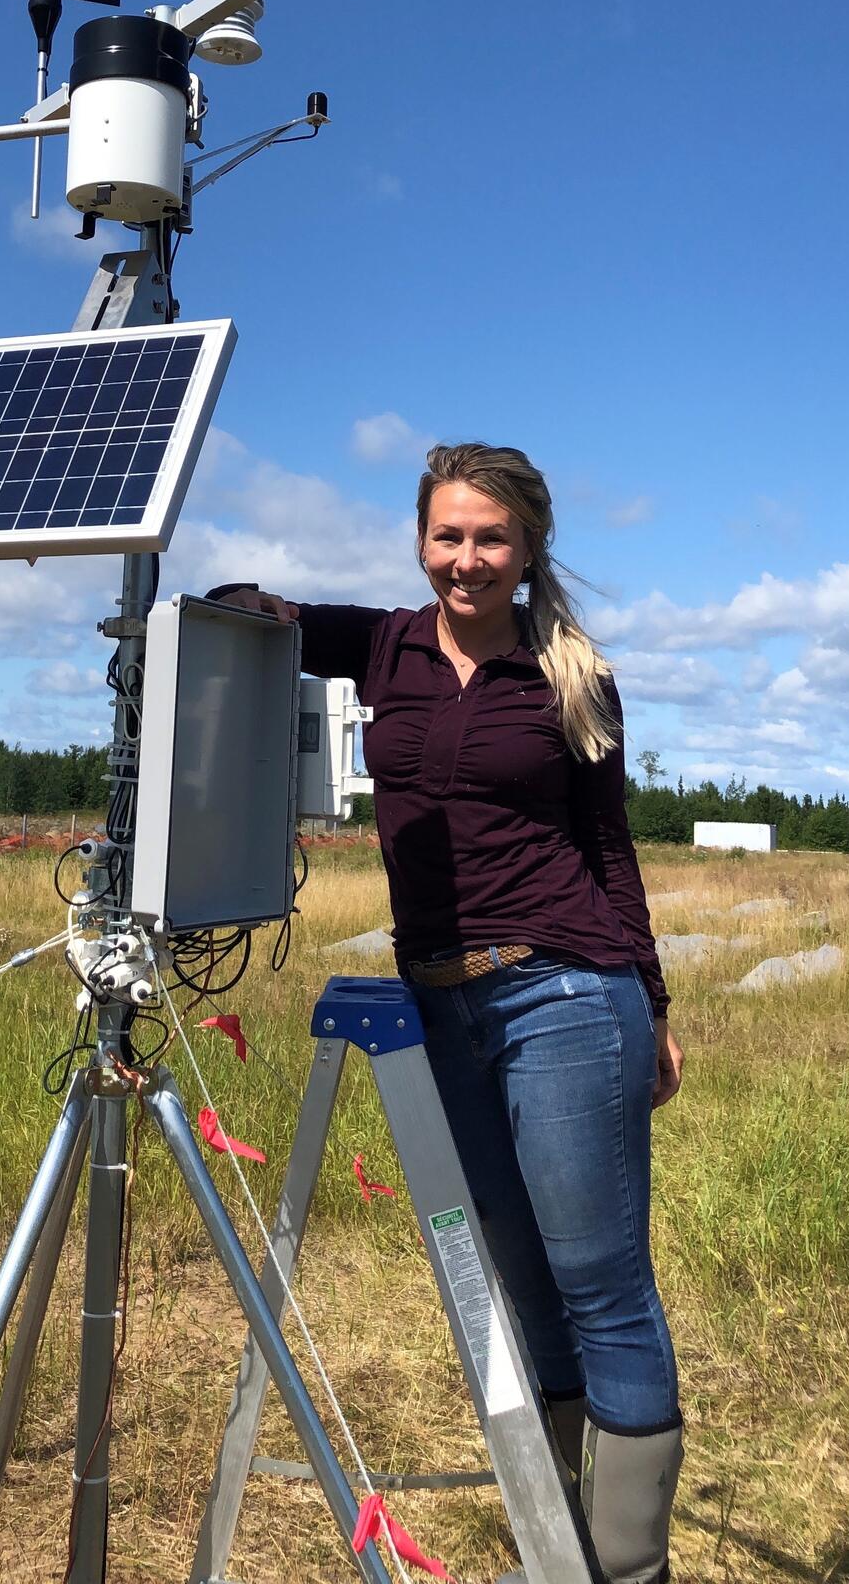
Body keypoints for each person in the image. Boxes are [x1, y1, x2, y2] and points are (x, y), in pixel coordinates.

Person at [220, 441, 684, 1584]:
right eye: (447, 535)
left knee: (601, 1284)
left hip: (564, 987)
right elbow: (270, 618)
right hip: (439, 1004)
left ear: (528, 549)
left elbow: (608, 849)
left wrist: (654, 1000)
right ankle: (562, 1548)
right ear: (420, 538)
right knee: (519, 1285)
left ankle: (626, 1568)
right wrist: (228, 607)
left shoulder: (570, 674)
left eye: (490, 538)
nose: (465, 559)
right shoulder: (384, 643)